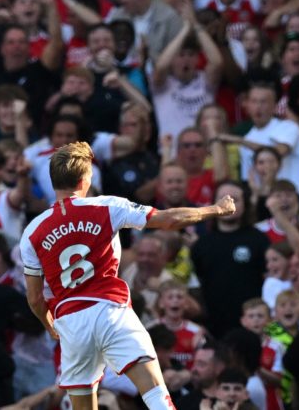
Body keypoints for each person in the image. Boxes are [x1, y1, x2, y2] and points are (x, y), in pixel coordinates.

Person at [19, 141, 236, 410]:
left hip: (71, 321)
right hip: (111, 310)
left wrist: (50, 325)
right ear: (86, 178)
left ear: (53, 181)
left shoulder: (32, 231)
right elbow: (168, 220)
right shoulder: (107, 207)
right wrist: (215, 209)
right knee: (156, 394)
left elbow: (35, 298)